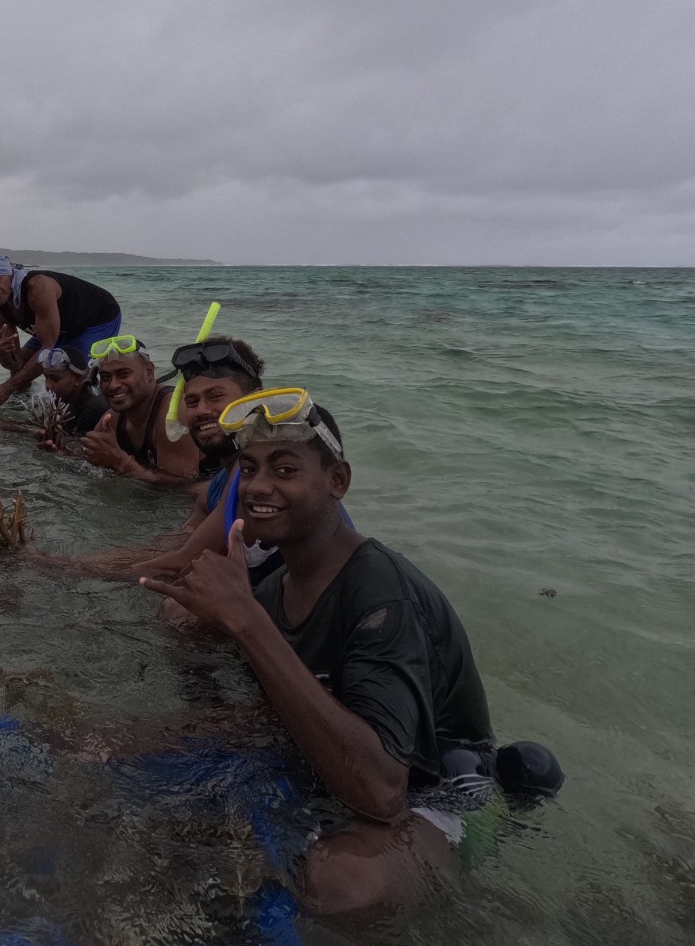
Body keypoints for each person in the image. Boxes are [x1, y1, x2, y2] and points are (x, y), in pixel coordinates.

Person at [140, 387, 497, 916]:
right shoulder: (279, 585)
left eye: (285, 470)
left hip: (441, 785)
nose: (259, 486)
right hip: (339, 750)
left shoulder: (380, 592)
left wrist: (245, 621)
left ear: (338, 482)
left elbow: (382, 795)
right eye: (250, 468)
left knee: (341, 882)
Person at [0, 254, 122, 407]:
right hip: (57, 327)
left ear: (9, 274)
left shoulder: (38, 287)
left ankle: (96, 416)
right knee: (23, 368)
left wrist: (7, 387)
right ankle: (20, 405)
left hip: (97, 319)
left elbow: (46, 351)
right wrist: (1, 354)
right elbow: (15, 363)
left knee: (74, 378)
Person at [78, 336, 200, 484]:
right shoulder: (113, 419)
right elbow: (86, 460)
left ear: (149, 371)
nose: (113, 385)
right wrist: (60, 448)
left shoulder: (173, 413)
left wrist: (121, 463)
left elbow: (182, 489)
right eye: (105, 377)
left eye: (123, 374)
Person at [172, 336, 266, 528]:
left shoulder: (258, 473)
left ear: (255, 399)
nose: (201, 410)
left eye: (215, 396)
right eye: (192, 402)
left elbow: (183, 556)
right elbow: (175, 545)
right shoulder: (220, 481)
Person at [36, 345, 110, 448]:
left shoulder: (91, 410)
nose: (48, 385)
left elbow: (82, 451)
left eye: (55, 379)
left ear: (78, 379)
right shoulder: (65, 396)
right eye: (46, 377)